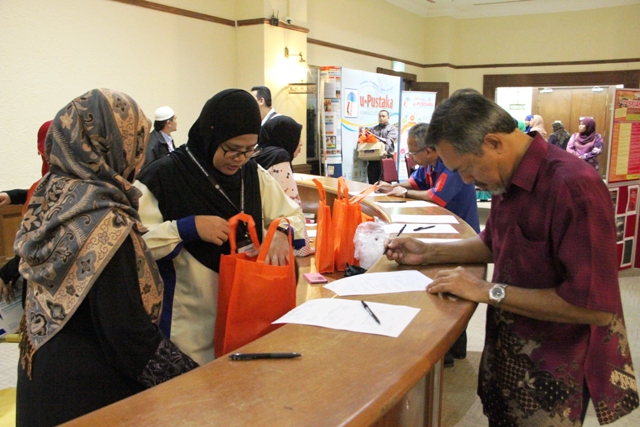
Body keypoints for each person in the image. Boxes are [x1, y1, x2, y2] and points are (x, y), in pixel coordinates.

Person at [385, 89, 638, 426]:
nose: (466, 181)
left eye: (467, 168)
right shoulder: (508, 178)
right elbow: (495, 242)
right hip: (509, 354)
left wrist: (488, 290)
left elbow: (594, 307)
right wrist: (430, 250)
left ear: (493, 143)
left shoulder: (573, 188)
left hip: (555, 370)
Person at [13, 89, 198, 426]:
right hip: (87, 396)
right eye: (136, 143)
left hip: (40, 377)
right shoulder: (105, 222)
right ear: (116, 146)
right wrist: (195, 379)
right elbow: (128, 334)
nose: (140, 157)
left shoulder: (51, 194)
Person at [134, 89, 305, 365]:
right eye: (231, 149)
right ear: (210, 135)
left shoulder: (252, 173)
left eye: (249, 150)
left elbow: (292, 214)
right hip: (187, 331)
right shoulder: (161, 177)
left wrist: (282, 232)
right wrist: (186, 228)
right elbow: (135, 246)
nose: (239, 159)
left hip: (246, 321)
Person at [377, 122, 479, 367]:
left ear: (430, 151)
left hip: (461, 236)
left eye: (413, 152)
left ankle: (452, 350)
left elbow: (437, 196)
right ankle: (451, 350)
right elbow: (414, 182)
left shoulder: (450, 164)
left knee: (451, 293)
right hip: (440, 232)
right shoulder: (428, 164)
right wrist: (396, 187)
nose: (410, 156)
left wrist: (403, 193)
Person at [0, 120, 53, 304]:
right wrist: (12, 196)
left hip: (43, 294)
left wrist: (6, 273)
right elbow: (38, 191)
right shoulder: (44, 188)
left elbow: (36, 249)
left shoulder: (58, 195)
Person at [254, 115, 312, 256]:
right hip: (279, 242)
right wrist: (304, 248)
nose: (301, 143)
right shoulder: (279, 157)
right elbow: (291, 204)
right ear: (285, 136)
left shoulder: (259, 154)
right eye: (297, 136)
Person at [366, 110, 398, 184]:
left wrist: (385, 150)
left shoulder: (392, 129)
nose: (381, 118)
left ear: (388, 118)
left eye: (383, 116)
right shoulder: (373, 129)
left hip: (386, 158)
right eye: (380, 116)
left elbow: (389, 141)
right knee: (372, 182)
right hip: (373, 159)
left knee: (385, 183)